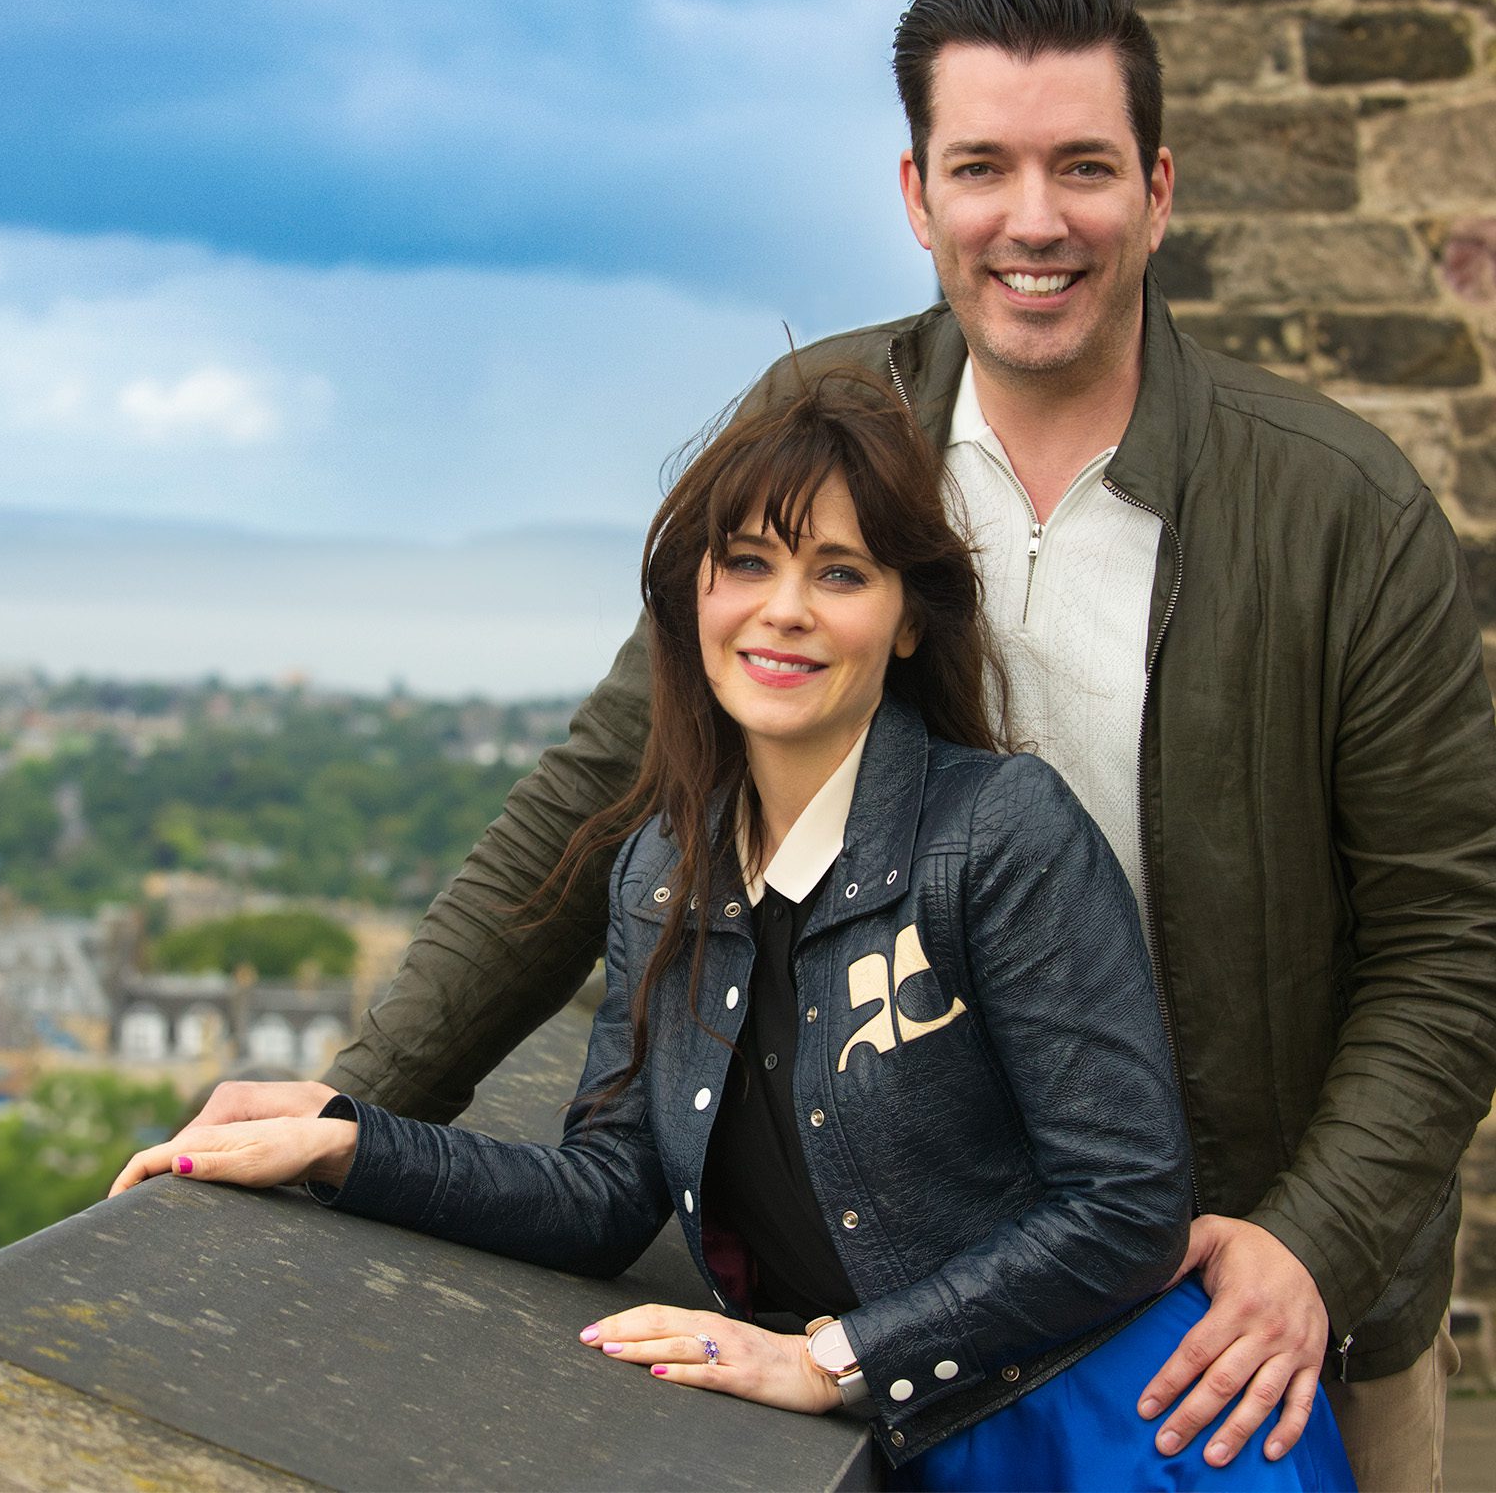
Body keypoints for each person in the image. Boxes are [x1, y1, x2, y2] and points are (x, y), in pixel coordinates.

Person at [189, 0, 1496, 1491]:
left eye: (1083, 168)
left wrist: (1314, 1240)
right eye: (982, 168)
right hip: (910, 1311)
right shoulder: (827, 427)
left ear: (1158, 192)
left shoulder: (1337, 511)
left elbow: (1452, 937)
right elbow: (602, 803)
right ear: (917, 194)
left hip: (1250, 1330)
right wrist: (362, 1103)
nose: (1034, 220)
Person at [114, 375, 1354, 1489]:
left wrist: (833, 1361)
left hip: (1129, 1433)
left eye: (841, 573)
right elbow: (609, 1194)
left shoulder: (1000, 832)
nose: (785, 611)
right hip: (911, 1444)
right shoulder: (663, 872)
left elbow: (1128, 1203)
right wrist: (345, 1143)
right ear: (694, 596)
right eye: (748, 564)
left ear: (908, 618)